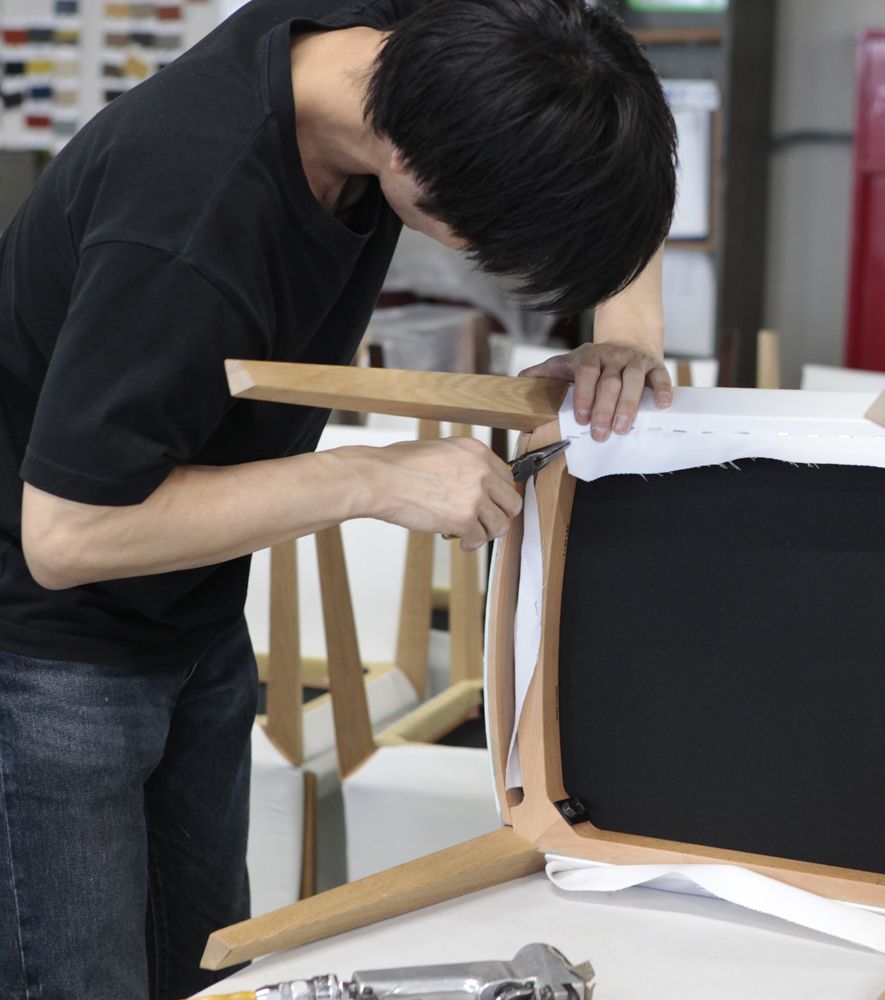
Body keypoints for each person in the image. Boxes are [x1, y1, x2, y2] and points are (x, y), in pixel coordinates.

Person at [0, 0, 676, 996]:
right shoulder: (187, 222)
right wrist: (371, 478)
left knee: (207, 971)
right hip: (50, 652)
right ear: (414, 169)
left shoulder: (437, 40)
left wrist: (629, 332)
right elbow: (65, 532)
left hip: (190, 611)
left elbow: (599, 100)